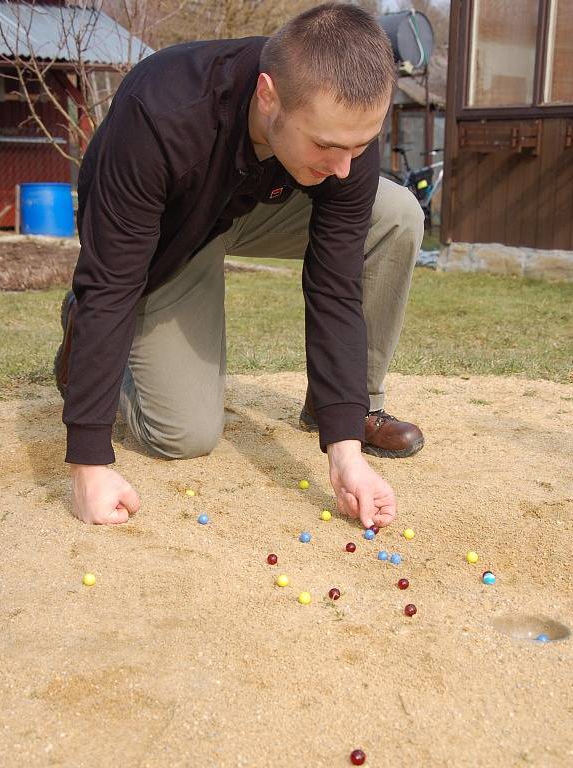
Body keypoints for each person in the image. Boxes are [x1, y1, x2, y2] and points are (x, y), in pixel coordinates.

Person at [55, 3, 425, 528]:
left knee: (396, 214)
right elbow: (112, 281)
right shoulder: (159, 113)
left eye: (359, 146)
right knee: (184, 436)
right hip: (166, 237)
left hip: (262, 204)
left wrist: (345, 452)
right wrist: (87, 462)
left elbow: (335, 283)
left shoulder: (342, 126)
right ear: (268, 95)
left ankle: (346, 407)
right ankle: (82, 327)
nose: (346, 165)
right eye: (327, 144)